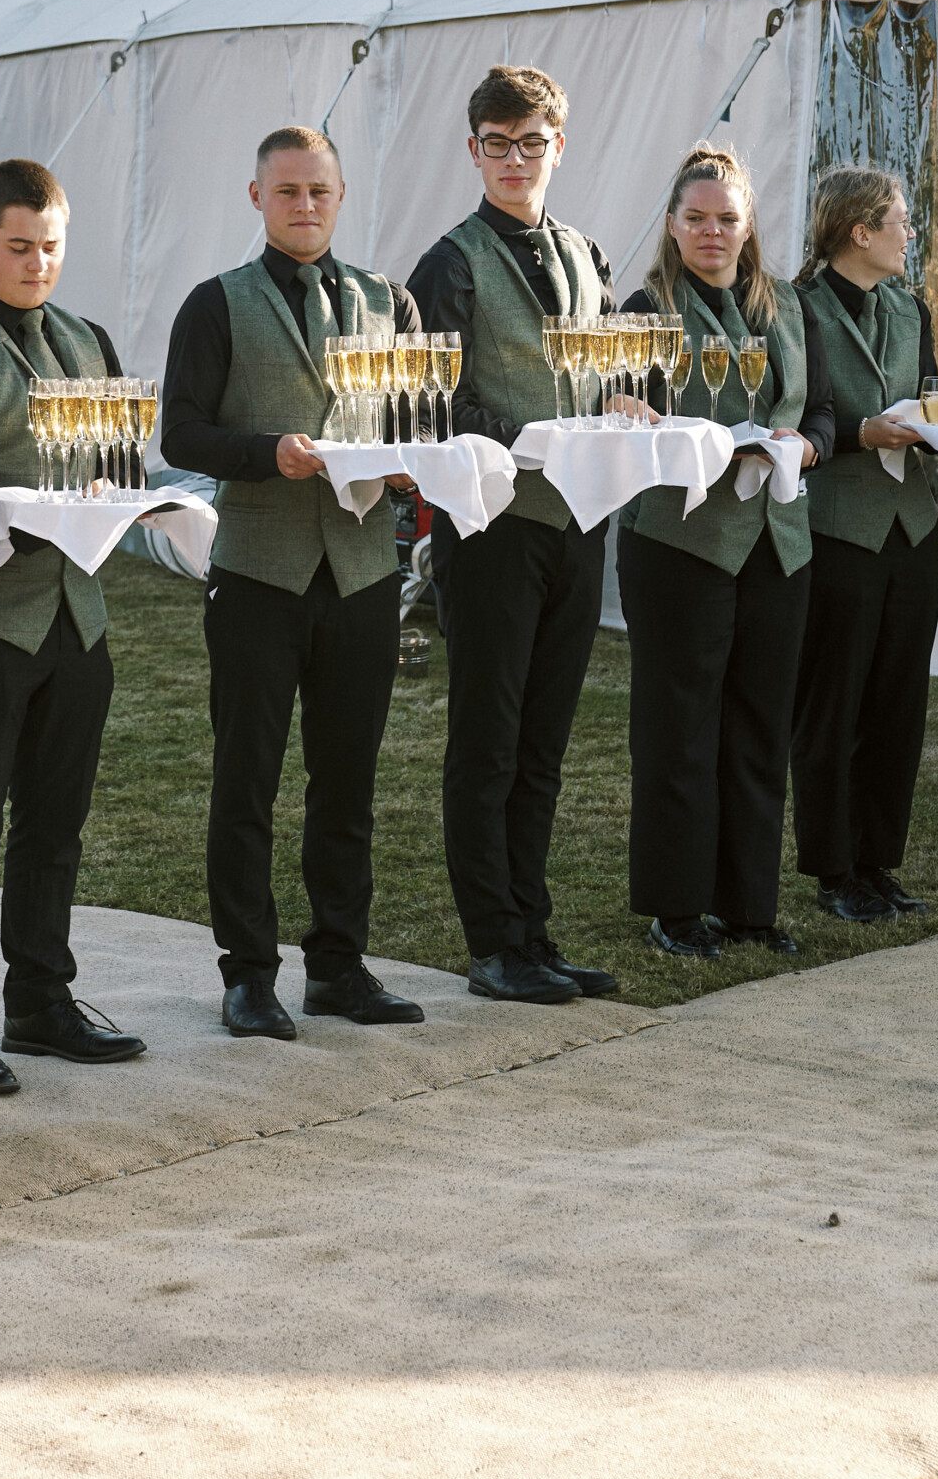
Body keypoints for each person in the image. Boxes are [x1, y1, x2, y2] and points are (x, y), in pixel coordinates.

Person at [160, 126, 425, 1040]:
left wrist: (408, 468)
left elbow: (412, 418)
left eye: (319, 191)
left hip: (360, 571)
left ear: (342, 196)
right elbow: (180, 437)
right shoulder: (215, 305)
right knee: (248, 780)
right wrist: (266, 454)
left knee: (346, 779)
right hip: (258, 571)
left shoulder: (390, 301)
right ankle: (248, 974)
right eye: (287, 193)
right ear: (256, 198)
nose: (304, 206)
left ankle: (340, 968)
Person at [0, 159, 147, 1098]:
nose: (37, 263)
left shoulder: (88, 338)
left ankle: (41, 1000)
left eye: (51, 247)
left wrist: (116, 488)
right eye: (18, 247)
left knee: (56, 823)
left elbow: (123, 456)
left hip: (75, 615)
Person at [408, 63, 619, 1006]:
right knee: (488, 741)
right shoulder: (448, 263)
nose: (515, 160)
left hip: (576, 522)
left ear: (557, 148)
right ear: (474, 151)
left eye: (532, 143)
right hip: (491, 526)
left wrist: (622, 403)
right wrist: (532, 438)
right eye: (498, 144)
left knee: (544, 741)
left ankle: (533, 930)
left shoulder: (584, 252)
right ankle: (492, 941)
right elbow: (435, 404)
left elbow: (602, 369)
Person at [615, 146, 824, 959]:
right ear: (673, 225)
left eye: (726, 218)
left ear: (748, 226)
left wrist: (804, 446)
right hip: (681, 541)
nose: (712, 231)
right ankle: (675, 909)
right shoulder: (646, 309)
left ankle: (750, 907)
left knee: (761, 728)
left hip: (779, 541)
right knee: (679, 730)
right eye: (696, 218)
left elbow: (827, 413)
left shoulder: (787, 308)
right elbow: (628, 415)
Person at [789, 165, 938, 927]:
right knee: (834, 704)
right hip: (837, 528)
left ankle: (879, 861)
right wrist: (858, 433)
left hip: (912, 528)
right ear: (860, 230)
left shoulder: (911, 308)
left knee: (897, 703)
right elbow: (799, 412)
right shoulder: (799, 308)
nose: (909, 233)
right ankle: (832, 868)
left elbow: (934, 395)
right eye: (901, 221)